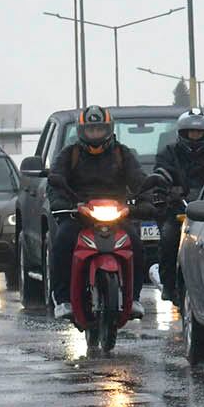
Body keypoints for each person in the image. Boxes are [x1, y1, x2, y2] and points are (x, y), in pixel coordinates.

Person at [47, 105, 150, 320]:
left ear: (109, 129)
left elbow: (139, 180)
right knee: (62, 240)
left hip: (117, 214)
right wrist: (61, 205)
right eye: (91, 129)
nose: (95, 134)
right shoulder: (70, 154)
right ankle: (62, 298)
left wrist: (147, 199)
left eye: (100, 129)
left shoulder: (122, 153)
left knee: (136, 244)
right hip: (79, 214)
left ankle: (135, 299)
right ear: (81, 131)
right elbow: (55, 183)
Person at [152, 109, 204, 303]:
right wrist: (168, 190)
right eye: (190, 133)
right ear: (181, 133)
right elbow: (160, 172)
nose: (194, 137)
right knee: (169, 237)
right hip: (177, 210)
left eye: (198, 133)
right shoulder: (169, 153)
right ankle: (168, 285)